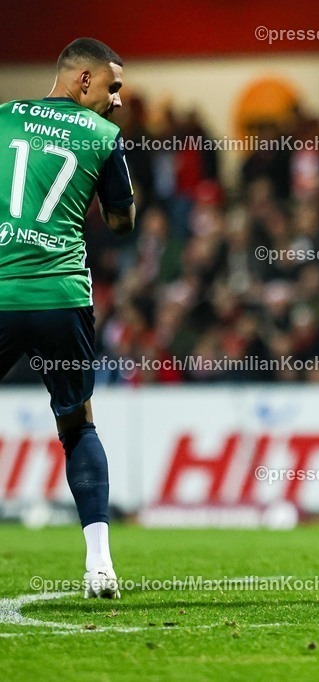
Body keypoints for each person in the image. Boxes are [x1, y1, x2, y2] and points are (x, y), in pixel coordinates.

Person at [0, 38, 135, 598]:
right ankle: (99, 566)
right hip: (60, 297)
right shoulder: (104, 138)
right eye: (113, 87)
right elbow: (122, 222)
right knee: (77, 423)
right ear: (83, 82)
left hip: (2, 291)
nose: (119, 101)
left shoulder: (5, 118)